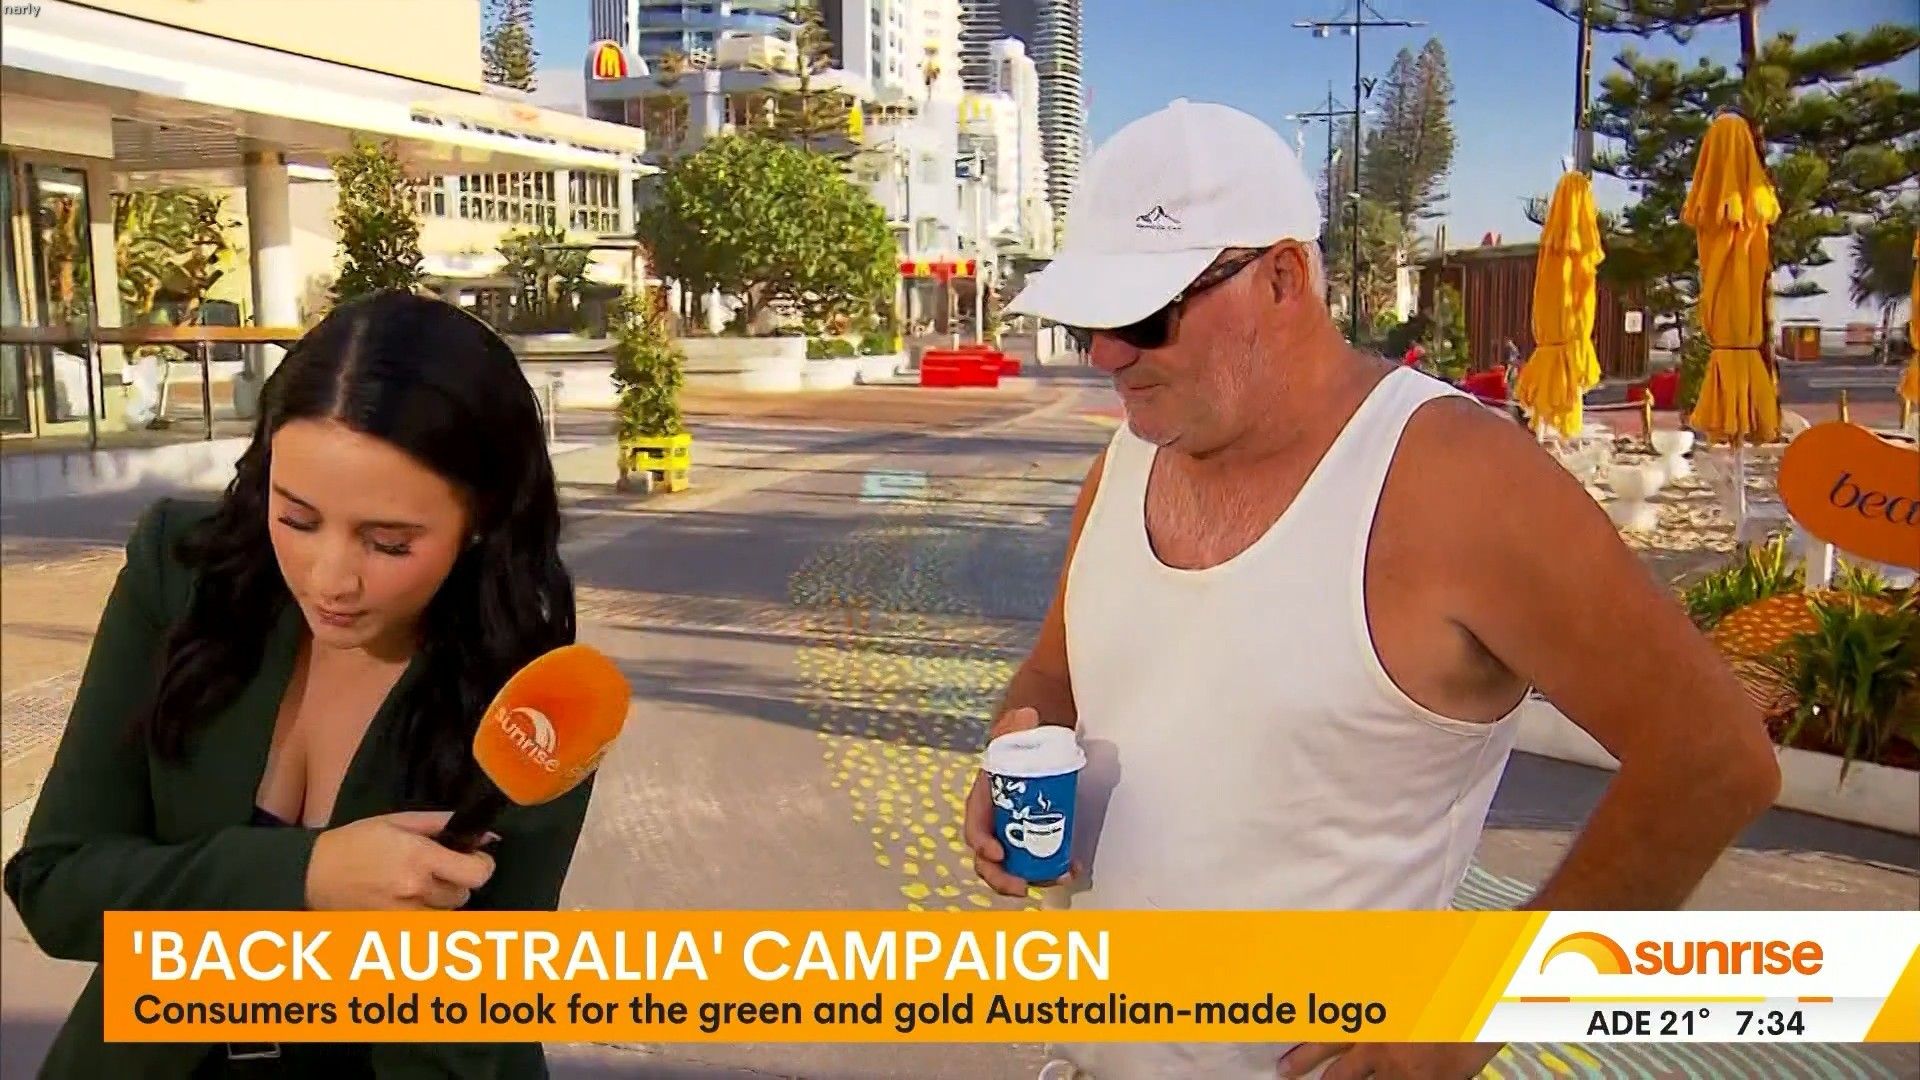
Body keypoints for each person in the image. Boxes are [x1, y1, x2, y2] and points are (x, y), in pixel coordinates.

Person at [962, 99, 1780, 1080]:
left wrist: (1471, 1011)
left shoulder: (1451, 480)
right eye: (1092, 318)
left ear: (1281, 278)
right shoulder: (1127, 464)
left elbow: (1713, 759)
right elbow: (1057, 671)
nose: (1105, 354)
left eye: (1142, 317)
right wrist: (1019, 744)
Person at [4, 291, 593, 1078]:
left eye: (389, 543)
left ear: (482, 517)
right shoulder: (184, 573)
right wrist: (304, 878)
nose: (329, 579)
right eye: (297, 518)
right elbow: (57, 887)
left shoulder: (535, 691)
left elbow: (478, 1022)